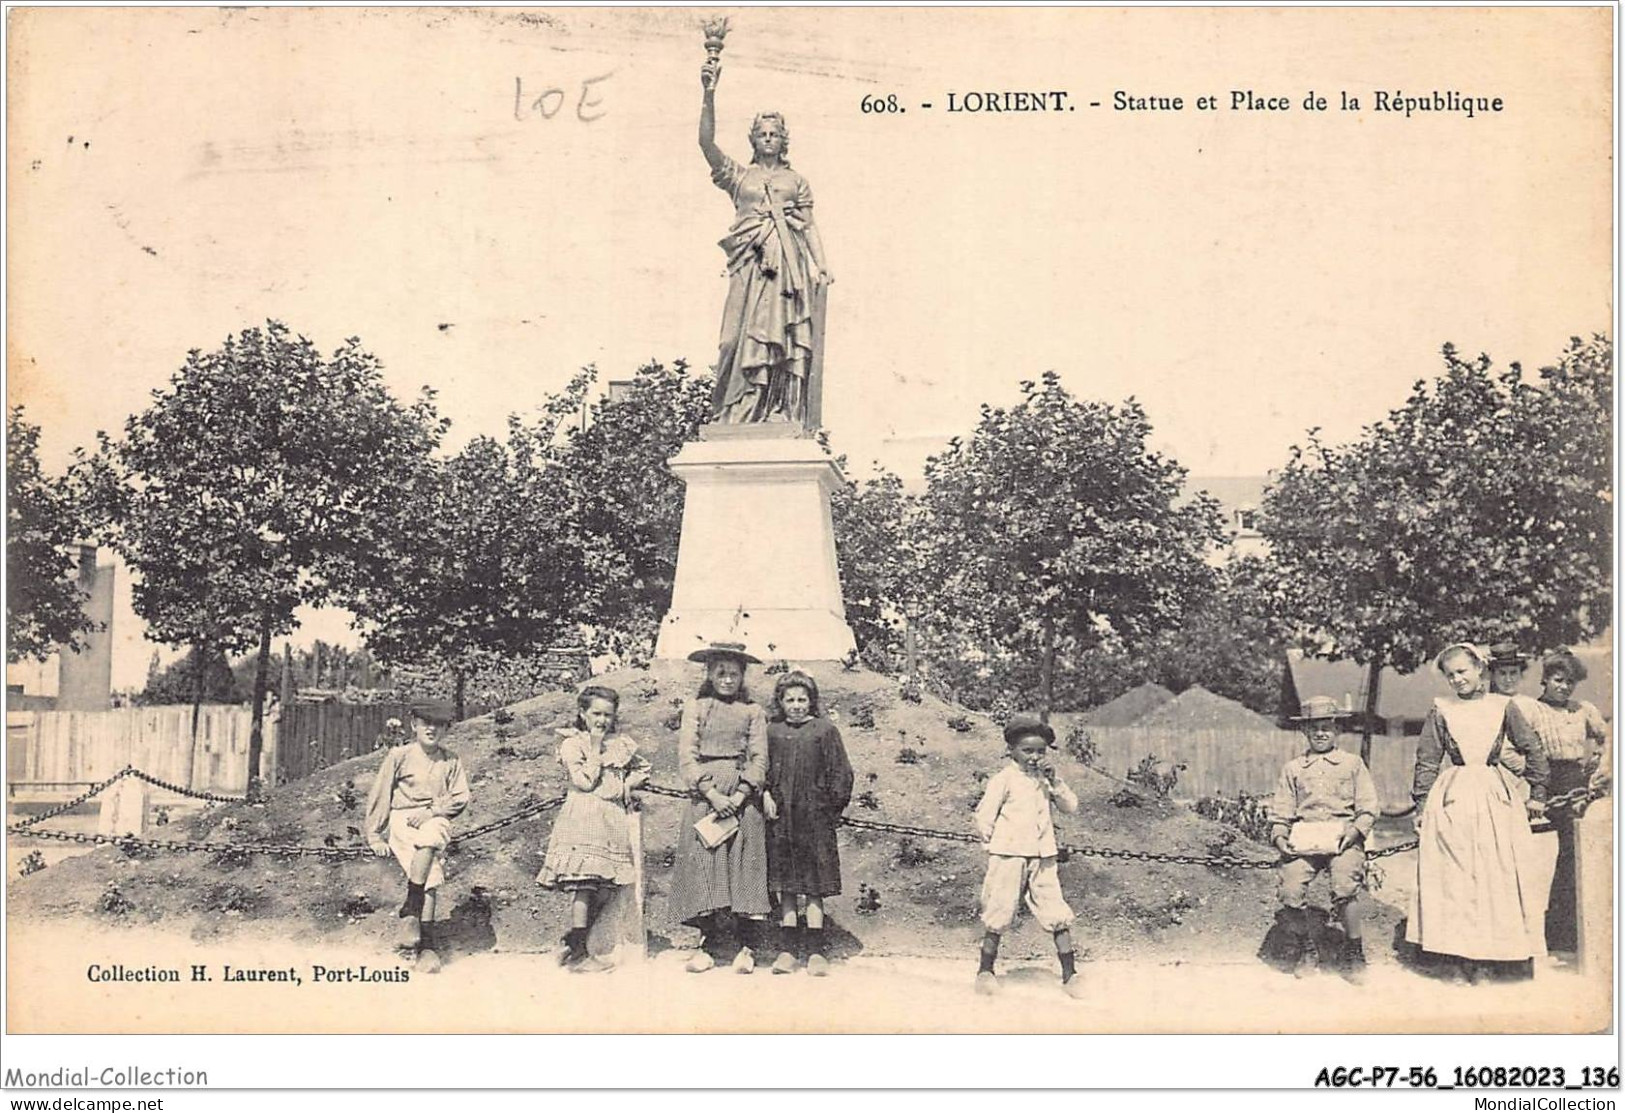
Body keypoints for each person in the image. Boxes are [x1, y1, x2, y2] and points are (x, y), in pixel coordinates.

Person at [698, 53, 833, 426]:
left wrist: (822, 266)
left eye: (775, 134)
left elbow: (808, 226)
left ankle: (776, 410)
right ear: (754, 139)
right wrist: (708, 93)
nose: (769, 139)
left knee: (782, 342)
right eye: (762, 133)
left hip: (788, 270)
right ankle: (734, 411)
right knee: (730, 341)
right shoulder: (740, 178)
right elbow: (706, 144)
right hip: (749, 264)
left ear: (783, 139)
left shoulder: (797, 181)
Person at [1407, 643, 1549, 983]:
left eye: (1462, 671)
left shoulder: (1503, 706)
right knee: (1454, 879)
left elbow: (1532, 748)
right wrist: (1423, 805)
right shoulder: (1441, 709)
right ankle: (1457, 957)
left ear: (1480, 669)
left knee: (1493, 876)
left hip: (1494, 795)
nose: (1457, 680)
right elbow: (1427, 760)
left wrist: (1538, 793)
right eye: (1450, 674)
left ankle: (1489, 959)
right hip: (1452, 796)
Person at [669, 643, 772, 973]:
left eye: (734, 673)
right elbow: (687, 756)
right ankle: (709, 944)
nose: (727, 679)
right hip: (707, 797)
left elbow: (760, 759)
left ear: (743, 676)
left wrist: (742, 795)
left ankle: (747, 947)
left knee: (745, 868)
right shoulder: (697, 707)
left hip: (742, 799)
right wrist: (712, 794)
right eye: (721, 673)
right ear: (709, 674)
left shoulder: (753, 712)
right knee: (705, 867)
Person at [537, 685, 651, 973]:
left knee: (606, 886)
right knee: (584, 884)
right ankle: (578, 952)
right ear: (582, 713)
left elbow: (642, 767)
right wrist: (595, 748)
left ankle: (575, 939)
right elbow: (585, 781)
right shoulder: (573, 744)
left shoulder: (621, 743)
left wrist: (628, 782)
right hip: (584, 816)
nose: (602, 720)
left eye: (608, 715)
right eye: (596, 714)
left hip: (611, 819)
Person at [1267, 696, 1380, 982]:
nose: (1321, 733)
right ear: (1304, 731)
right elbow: (1281, 813)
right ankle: (1307, 949)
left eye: (1327, 727)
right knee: (1290, 887)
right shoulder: (1293, 769)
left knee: (1344, 885)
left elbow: (1368, 808)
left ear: (1337, 730)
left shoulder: (1352, 765)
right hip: (1305, 838)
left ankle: (1354, 951)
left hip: (1342, 837)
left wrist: (1353, 833)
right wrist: (1281, 838)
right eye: (1314, 727)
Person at [972, 714, 1084, 999]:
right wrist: (992, 845)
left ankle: (1070, 975)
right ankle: (985, 971)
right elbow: (984, 815)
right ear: (1012, 750)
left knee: (1055, 910)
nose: (1035, 757)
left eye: (1040, 751)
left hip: (1042, 855)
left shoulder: (1046, 781)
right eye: (1027, 750)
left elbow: (1071, 806)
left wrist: (1055, 781)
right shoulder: (1004, 779)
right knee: (999, 909)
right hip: (1009, 855)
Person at [364, 707, 471, 973]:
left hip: (434, 816)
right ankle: (426, 943)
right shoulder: (399, 755)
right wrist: (375, 834)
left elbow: (460, 797)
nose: (432, 729)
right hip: (403, 818)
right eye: (426, 723)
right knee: (431, 877)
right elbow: (381, 794)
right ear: (414, 725)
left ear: (446, 729)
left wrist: (432, 812)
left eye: (439, 724)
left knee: (432, 835)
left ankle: (412, 910)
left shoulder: (450, 760)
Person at [1521, 648, 1611, 954]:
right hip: (1545, 782)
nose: (1565, 687)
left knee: (1573, 856)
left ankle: (1571, 932)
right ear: (1545, 680)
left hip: (1576, 783)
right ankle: (1545, 932)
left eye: (1570, 682)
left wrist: (1600, 764)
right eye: (1559, 680)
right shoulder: (1531, 710)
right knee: (1545, 857)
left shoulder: (1583, 709)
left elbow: (1609, 735)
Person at [762, 671, 853, 976]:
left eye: (803, 699)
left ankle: (815, 950)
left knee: (813, 887)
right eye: (790, 699)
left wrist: (829, 810)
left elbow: (841, 774)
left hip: (814, 822)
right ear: (780, 702)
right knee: (787, 886)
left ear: (812, 701)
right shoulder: (772, 732)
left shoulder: (824, 731)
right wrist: (764, 795)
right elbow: (759, 768)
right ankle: (787, 950)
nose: (797, 705)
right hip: (782, 821)